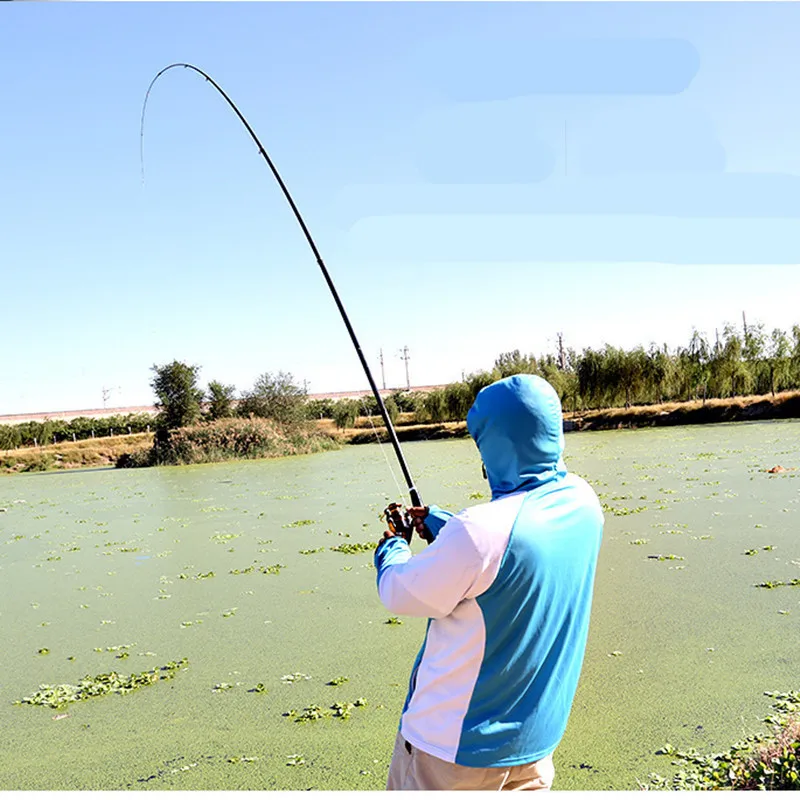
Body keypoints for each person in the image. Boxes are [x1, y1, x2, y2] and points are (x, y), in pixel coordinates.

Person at [373, 374, 604, 791]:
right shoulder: (584, 503)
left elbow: (398, 591)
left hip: (451, 752)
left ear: (497, 446)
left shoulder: (480, 532)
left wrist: (391, 546)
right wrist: (446, 526)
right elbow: (512, 551)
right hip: (535, 744)